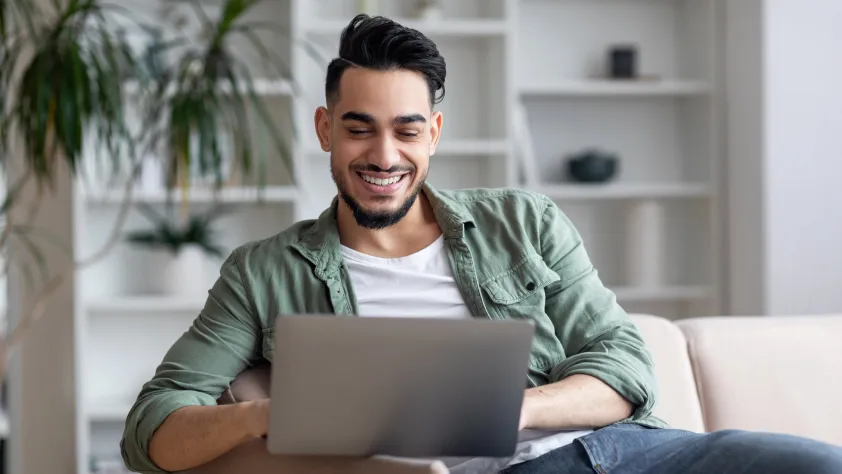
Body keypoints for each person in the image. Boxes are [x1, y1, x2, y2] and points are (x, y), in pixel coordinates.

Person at [121, 14, 842, 474]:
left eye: (406, 129)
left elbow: (623, 365)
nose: (383, 154)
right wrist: (268, 416)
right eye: (359, 127)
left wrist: (511, 407)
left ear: (432, 134)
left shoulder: (524, 222)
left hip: (637, 455)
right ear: (324, 130)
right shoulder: (264, 272)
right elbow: (151, 432)